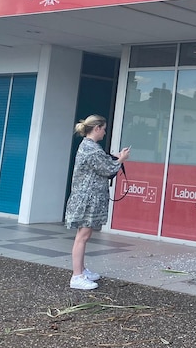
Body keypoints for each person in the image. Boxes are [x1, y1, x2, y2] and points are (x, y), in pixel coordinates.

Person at [64, 115, 130, 290]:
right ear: (97, 128)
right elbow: (108, 170)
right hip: (88, 199)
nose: (105, 132)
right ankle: (77, 276)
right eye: (104, 128)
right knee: (82, 237)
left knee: (84, 235)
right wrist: (121, 159)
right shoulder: (92, 149)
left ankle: (81, 270)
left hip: (86, 198)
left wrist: (114, 158)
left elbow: (101, 163)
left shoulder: (89, 147)